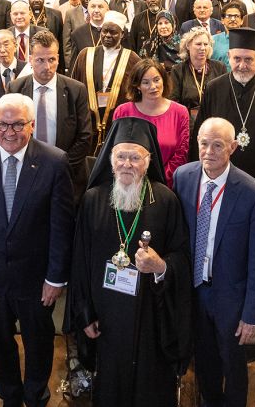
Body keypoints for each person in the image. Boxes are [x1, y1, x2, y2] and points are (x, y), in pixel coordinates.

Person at [0, 93, 75, 407]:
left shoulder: (54, 161)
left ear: (32, 125)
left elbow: (62, 226)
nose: (9, 132)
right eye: (2, 124)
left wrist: (56, 278)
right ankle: (9, 395)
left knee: (39, 342)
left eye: (18, 124)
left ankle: (36, 395)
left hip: (36, 280)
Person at [66, 116, 191, 407]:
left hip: (150, 315)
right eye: (121, 156)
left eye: (135, 157)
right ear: (110, 159)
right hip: (105, 315)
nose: (127, 164)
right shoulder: (93, 200)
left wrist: (161, 266)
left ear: (148, 161)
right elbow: (80, 263)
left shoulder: (166, 200)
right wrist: (85, 313)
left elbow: (182, 257)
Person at [173, 117, 255, 407]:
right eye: (204, 143)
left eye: (218, 145)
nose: (209, 151)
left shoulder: (253, 193)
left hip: (231, 296)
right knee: (203, 361)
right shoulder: (183, 177)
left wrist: (253, 311)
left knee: (233, 363)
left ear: (232, 147)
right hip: (194, 290)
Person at [194, 27, 255, 179]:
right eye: (237, 59)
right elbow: (200, 134)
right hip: (222, 175)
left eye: (248, 59)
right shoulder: (214, 88)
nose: (242, 65)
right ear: (228, 57)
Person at [7, 30, 92, 203]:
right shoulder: (15, 88)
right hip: (26, 171)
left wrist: (60, 165)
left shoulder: (76, 90)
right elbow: (10, 132)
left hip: (68, 174)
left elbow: (85, 137)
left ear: (58, 58)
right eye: (40, 60)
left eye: (52, 59)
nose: (47, 66)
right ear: (30, 60)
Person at [71, 10, 141, 154]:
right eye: (105, 31)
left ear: (122, 34)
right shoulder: (85, 54)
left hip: (119, 122)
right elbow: (74, 89)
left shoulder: (132, 59)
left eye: (113, 32)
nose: (107, 35)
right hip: (88, 121)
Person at [113, 59, 189, 188]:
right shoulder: (123, 111)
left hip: (167, 185)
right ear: (137, 86)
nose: (153, 86)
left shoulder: (180, 112)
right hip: (130, 183)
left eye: (156, 80)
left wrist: (159, 180)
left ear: (164, 79)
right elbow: (116, 151)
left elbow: (182, 153)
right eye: (145, 82)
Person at [170, 27, 227, 125]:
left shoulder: (219, 67)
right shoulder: (178, 70)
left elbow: (225, 98)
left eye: (206, 44)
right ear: (188, 45)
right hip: (187, 122)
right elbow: (174, 102)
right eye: (198, 44)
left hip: (215, 121)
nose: (203, 48)